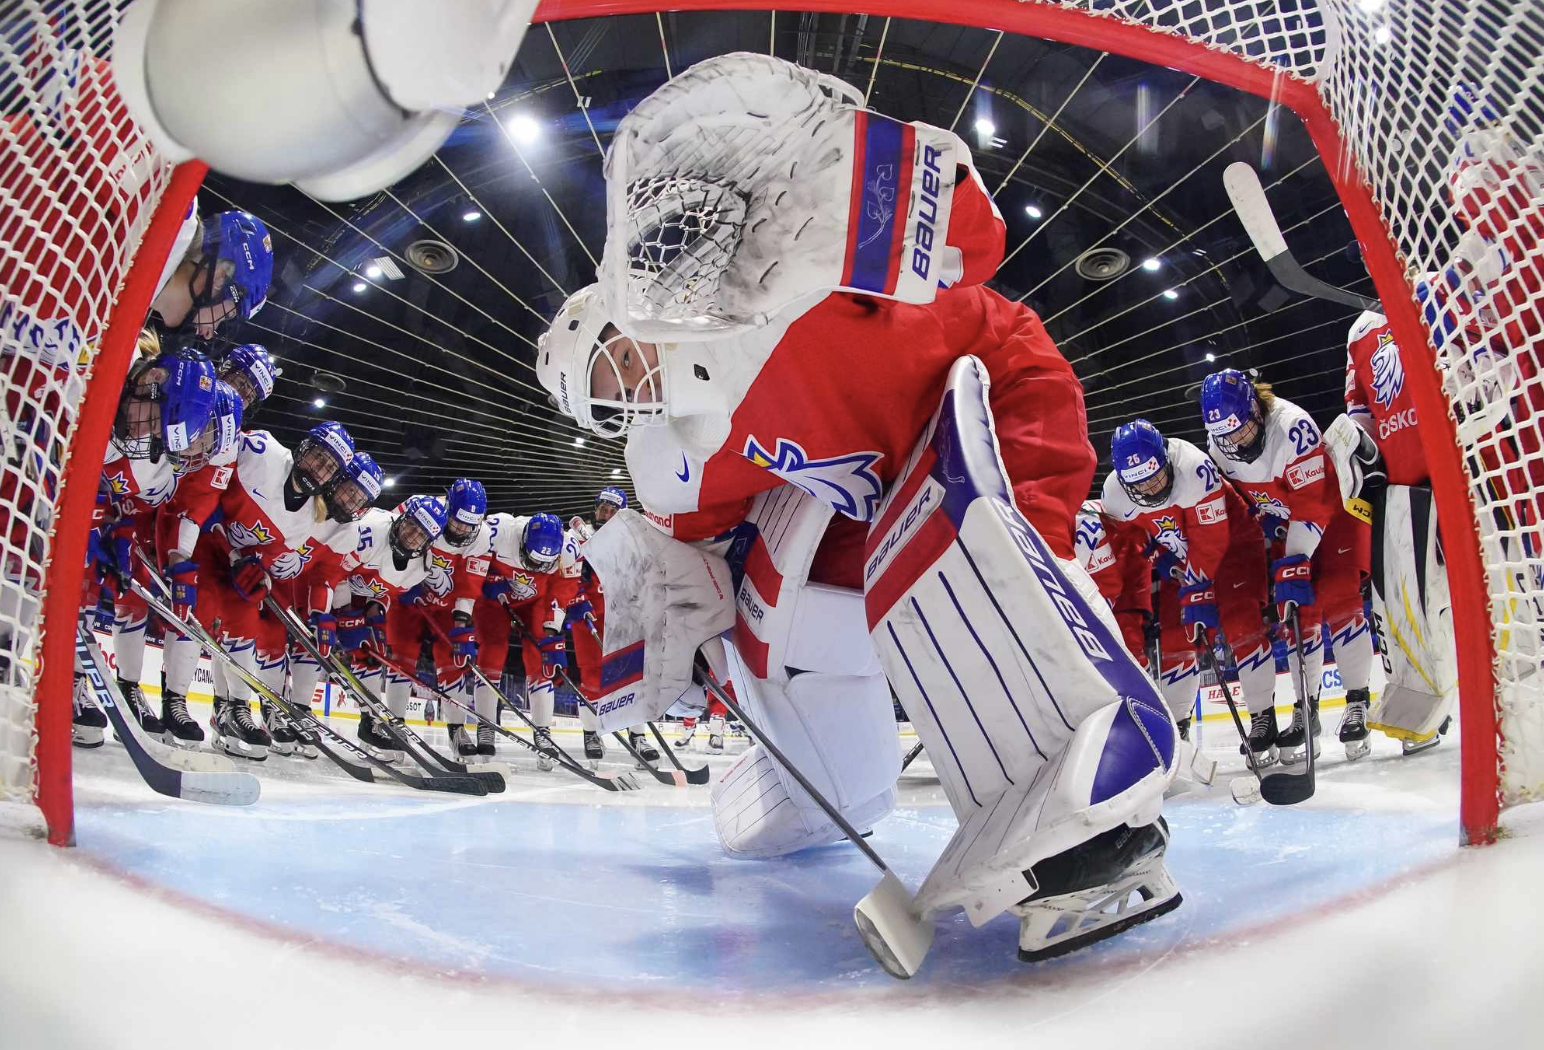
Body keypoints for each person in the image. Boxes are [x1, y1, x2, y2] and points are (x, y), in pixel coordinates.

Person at [534, 53, 1178, 966]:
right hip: (881, 495)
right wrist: (652, 640)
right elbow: (694, 571)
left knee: (989, 564)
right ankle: (829, 791)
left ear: (630, 308)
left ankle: (1102, 824)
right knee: (849, 597)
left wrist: (889, 180)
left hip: (992, 396)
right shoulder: (683, 449)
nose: (628, 384)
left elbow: (971, 244)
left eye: (613, 355)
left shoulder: (768, 288)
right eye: (606, 396)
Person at [1200, 369, 1376, 764]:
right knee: (1297, 613)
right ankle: (1305, 707)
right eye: (1228, 437)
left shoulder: (1292, 425)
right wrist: (1270, 525)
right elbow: (1252, 498)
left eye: (1243, 431)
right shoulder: (1218, 444)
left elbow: (1313, 503)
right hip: (1287, 523)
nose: (1238, 442)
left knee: (1339, 598)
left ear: (1256, 411)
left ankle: (1357, 700)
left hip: (1334, 515)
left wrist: (1294, 561)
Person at [1103, 419, 1275, 764]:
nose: (1151, 489)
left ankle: (1263, 717)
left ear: (1165, 457)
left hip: (1233, 546)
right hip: (1180, 557)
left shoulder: (1194, 468)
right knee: (1174, 636)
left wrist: (1198, 588)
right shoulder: (1114, 494)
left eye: (1155, 477)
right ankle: (1176, 726)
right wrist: (1158, 556)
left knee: (1240, 621)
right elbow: (1128, 536)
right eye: (1140, 483)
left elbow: (1212, 540)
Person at [378, 479, 489, 761]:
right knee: (401, 658)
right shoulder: (420, 506)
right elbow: (389, 538)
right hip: (406, 598)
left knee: (453, 664)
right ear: (448, 507)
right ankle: (395, 725)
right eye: (458, 522)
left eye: (470, 525)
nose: (463, 530)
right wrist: (401, 577)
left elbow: (470, 581)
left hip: (447, 607)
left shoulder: (483, 536)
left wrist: (462, 624)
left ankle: (456, 729)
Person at [477, 512, 583, 768]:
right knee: (492, 651)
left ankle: (543, 730)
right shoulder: (500, 529)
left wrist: (552, 632)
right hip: (496, 598)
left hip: (536, 600)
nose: (536, 567)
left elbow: (563, 590)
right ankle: (486, 725)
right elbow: (474, 554)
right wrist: (490, 577)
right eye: (533, 560)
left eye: (544, 563)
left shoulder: (569, 548)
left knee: (541, 659)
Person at [567, 487, 661, 763]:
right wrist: (576, 595)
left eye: (612, 511)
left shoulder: (635, 542)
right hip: (589, 616)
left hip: (625, 615)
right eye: (602, 509)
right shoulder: (575, 536)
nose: (605, 515)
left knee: (634, 676)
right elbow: (564, 576)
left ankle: (637, 735)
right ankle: (591, 733)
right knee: (592, 677)